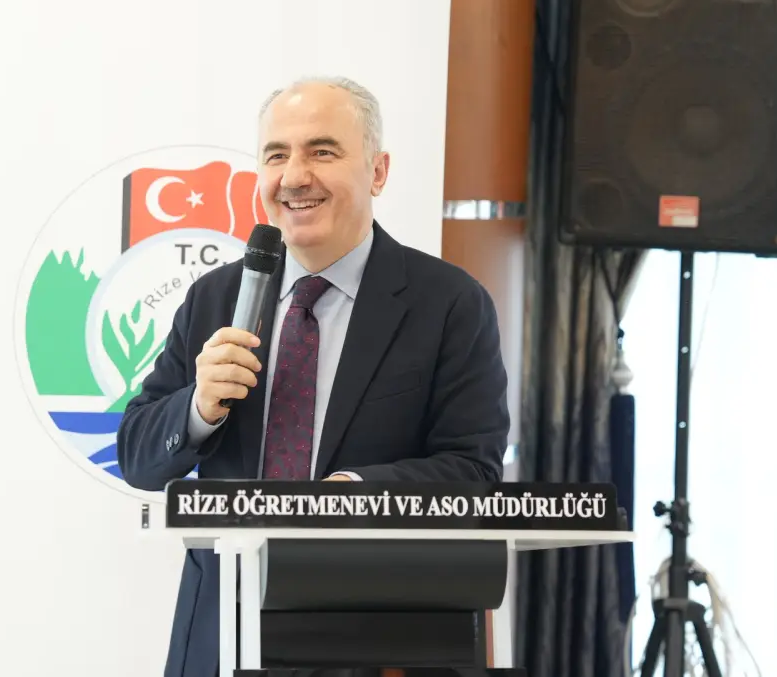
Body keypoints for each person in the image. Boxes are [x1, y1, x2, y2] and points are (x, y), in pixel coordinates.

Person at [116, 75, 511, 677]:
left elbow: (472, 469)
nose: (294, 176)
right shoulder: (215, 297)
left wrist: (348, 494)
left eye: (322, 151)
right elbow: (137, 456)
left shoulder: (450, 303)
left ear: (378, 171)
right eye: (276, 155)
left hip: (376, 638)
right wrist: (197, 408)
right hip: (221, 635)